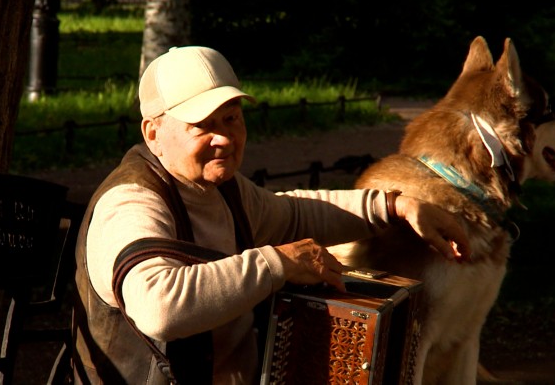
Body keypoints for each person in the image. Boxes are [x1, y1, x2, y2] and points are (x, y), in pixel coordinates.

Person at [71, 45, 470, 385]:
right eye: (202, 126)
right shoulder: (131, 203)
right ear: (152, 133)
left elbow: (291, 214)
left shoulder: (219, 187)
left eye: (231, 119)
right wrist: (276, 263)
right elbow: (159, 309)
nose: (224, 138)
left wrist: (394, 205)